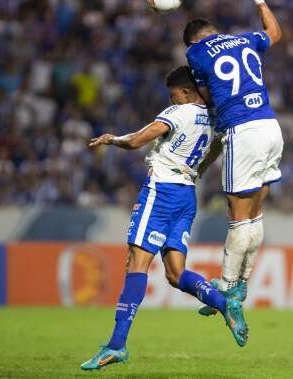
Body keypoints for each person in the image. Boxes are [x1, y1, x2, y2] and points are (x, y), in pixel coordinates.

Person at [80, 66, 248, 371]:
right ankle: (226, 305)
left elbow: (136, 141)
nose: (171, 99)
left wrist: (113, 139)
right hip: (187, 195)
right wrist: (196, 171)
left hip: (160, 193)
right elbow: (214, 150)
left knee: (136, 263)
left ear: (186, 92)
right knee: (174, 273)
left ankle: (116, 345)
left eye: (173, 94)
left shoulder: (179, 112)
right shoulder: (213, 117)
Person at [183, 0, 283, 316]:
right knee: (255, 213)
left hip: (244, 130)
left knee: (237, 216)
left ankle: (225, 286)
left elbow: (209, 96)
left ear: (193, 41)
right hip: (271, 127)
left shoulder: (196, 53)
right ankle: (242, 283)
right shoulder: (245, 39)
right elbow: (276, 33)